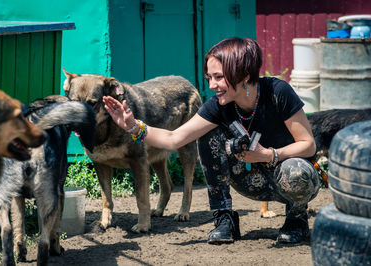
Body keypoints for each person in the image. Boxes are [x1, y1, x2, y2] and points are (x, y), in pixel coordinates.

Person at [102, 37, 320, 245]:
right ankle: (224, 217)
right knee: (205, 133)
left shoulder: (278, 92)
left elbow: (308, 145)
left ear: (243, 74)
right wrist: (131, 125)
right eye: (209, 78)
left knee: (296, 170)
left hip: (288, 179)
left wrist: (269, 154)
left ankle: (296, 219)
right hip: (249, 180)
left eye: (219, 77)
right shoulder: (218, 106)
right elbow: (173, 139)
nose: (212, 85)